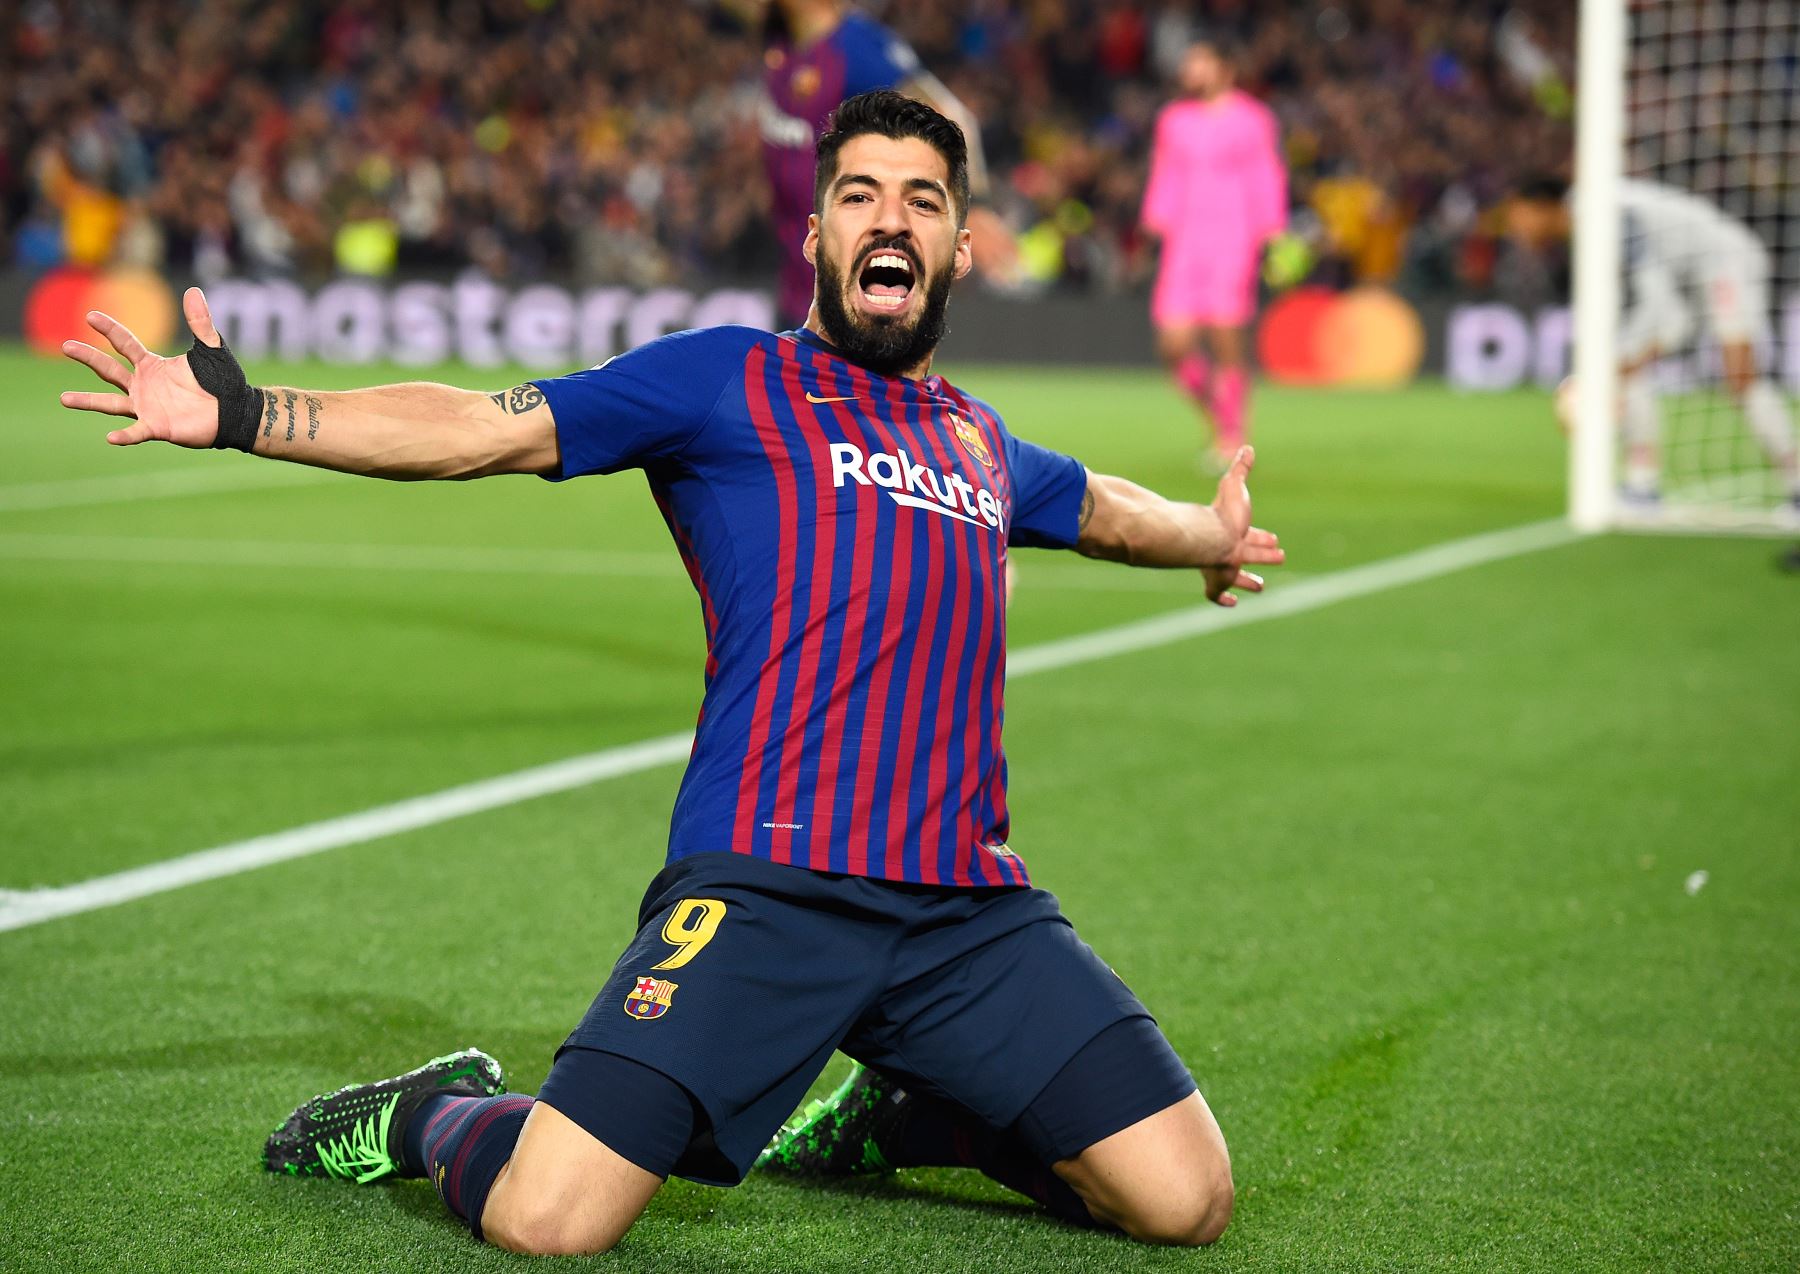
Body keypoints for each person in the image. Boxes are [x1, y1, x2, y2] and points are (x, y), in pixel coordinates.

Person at [57, 91, 1281, 1257]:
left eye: (923, 199)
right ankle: (429, 1112)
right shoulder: (722, 381)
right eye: (860, 195)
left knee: (1187, 1198)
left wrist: (1211, 536)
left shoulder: (977, 438)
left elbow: (1103, 506)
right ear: (816, 234)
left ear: (962, 247)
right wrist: (248, 412)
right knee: (550, 1215)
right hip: (768, 886)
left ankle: (915, 1112)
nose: (891, 219)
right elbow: (482, 425)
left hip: (964, 907)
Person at [1511, 175, 1800, 508]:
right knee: (1626, 361)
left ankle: (1796, 482)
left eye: (1520, 216)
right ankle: (1642, 485)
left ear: (1544, 208)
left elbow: (1664, 311)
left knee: (1740, 377)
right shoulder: (1589, 224)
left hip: (1723, 260)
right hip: (1685, 276)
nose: (1516, 228)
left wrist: (1612, 371)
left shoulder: (1604, 215)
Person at [742, 0, 1015, 326]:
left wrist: (976, 205)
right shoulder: (782, 39)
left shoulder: (857, 47)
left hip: (841, 276)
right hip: (795, 269)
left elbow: (949, 115)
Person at [1141, 37, 1287, 472]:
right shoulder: (1173, 119)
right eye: (1189, 62)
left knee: (1226, 336)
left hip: (1233, 235)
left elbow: (1267, 172)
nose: (1190, 70)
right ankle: (1217, 418)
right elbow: (1165, 171)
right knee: (1173, 342)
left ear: (1224, 67)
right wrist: (1154, 220)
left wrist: (1272, 229)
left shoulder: (1253, 118)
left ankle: (1231, 434)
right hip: (1184, 240)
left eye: (1200, 61)